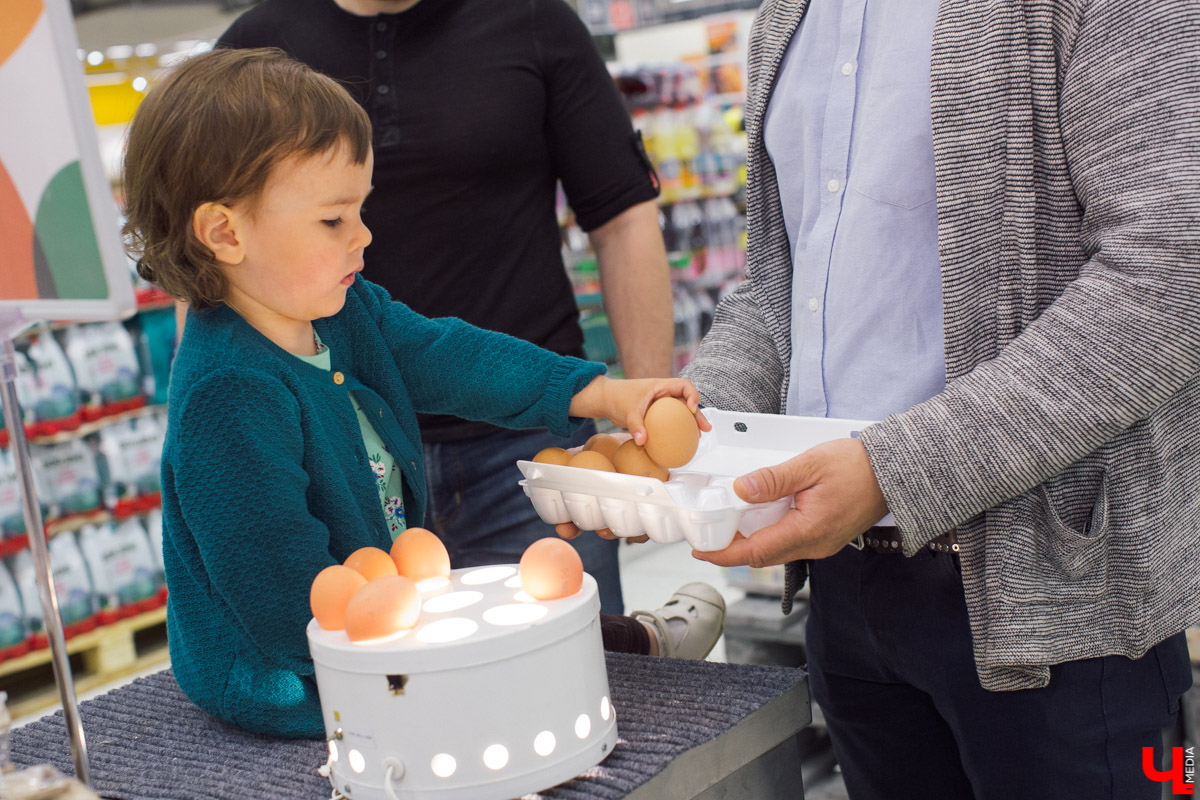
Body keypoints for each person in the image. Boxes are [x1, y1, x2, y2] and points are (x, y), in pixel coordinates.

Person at [668, 0, 1197, 797]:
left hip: (1059, 601)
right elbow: (782, 290)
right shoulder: (788, 17)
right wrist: (694, 420)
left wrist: (892, 472)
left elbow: (1169, 274)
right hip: (844, 588)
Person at [122, 48, 720, 739]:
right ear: (225, 232)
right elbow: (276, 589)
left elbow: (450, 356)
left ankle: (618, 645)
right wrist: (388, 642)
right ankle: (634, 646)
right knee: (499, 674)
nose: (364, 236)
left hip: (380, 628)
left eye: (360, 211)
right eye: (333, 220)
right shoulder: (227, 392)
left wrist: (598, 393)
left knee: (504, 627)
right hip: (295, 679)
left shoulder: (341, 313)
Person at [216, 0, 674, 616]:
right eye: (333, 219)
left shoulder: (534, 21)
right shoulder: (255, 53)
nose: (361, 238)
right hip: (337, 450)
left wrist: (627, 412)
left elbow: (620, 221)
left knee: (575, 661)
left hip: (527, 446)